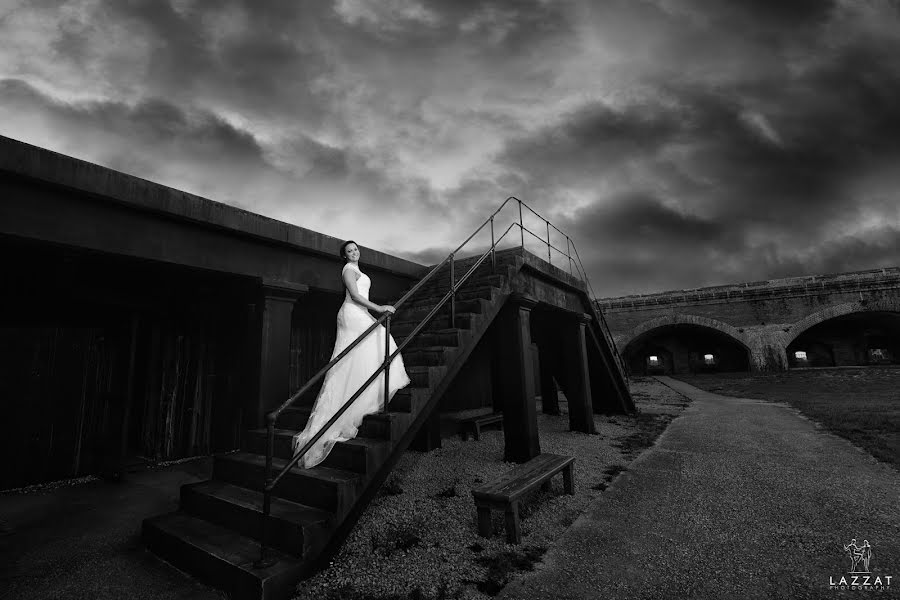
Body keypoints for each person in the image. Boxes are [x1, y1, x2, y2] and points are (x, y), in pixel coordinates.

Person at [291, 240, 411, 468]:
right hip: (352, 313)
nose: (354, 253)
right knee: (371, 345)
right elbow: (355, 297)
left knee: (369, 350)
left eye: (356, 249)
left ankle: (362, 394)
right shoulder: (348, 270)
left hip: (360, 313)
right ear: (345, 256)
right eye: (349, 251)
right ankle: (329, 422)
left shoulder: (357, 269)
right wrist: (381, 308)